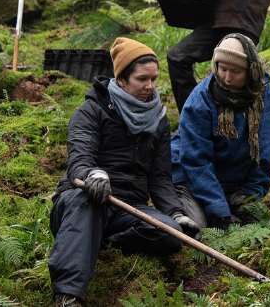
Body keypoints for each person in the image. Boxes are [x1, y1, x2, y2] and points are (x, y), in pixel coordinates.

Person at [48, 38, 200, 307]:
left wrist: (176, 213)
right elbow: (79, 162)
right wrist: (93, 175)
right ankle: (68, 295)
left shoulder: (159, 120)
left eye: (154, 79)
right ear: (121, 80)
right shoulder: (90, 111)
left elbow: (160, 177)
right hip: (80, 200)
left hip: (128, 208)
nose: (150, 87)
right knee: (89, 203)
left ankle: (103, 241)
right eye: (142, 79)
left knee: (170, 233)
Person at [171, 34, 270, 231]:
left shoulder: (261, 93)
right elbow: (196, 161)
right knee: (200, 229)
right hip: (189, 175)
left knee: (255, 224)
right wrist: (219, 210)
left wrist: (251, 192)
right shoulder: (200, 101)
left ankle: (229, 200)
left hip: (234, 179)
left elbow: (265, 145)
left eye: (236, 71)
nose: (227, 78)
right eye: (222, 69)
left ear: (251, 71)